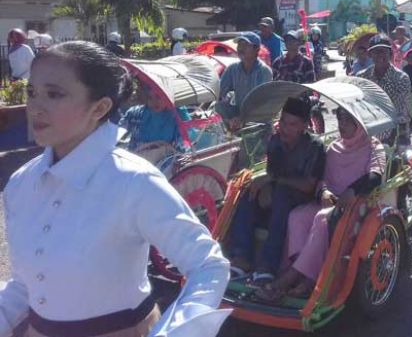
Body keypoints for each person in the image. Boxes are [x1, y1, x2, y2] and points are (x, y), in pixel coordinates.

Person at [4, 41, 229, 337]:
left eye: (54, 94)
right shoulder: (21, 183)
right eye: (31, 92)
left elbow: (208, 265)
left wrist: (176, 332)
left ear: (99, 107)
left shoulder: (133, 182)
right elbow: (25, 283)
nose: (36, 106)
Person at [257, 108, 386, 299]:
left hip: (355, 206)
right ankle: (306, 275)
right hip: (329, 202)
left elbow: (375, 175)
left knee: (321, 218)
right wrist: (324, 191)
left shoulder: (373, 147)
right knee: (297, 216)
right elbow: (322, 179)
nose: (342, 125)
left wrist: (352, 190)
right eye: (340, 119)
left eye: (347, 121)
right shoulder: (334, 148)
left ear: (359, 123)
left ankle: (291, 277)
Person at [225, 98, 326, 283]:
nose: (285, 128)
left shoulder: (315, 147)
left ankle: (268, 265)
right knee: (249, 191)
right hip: (279, 188)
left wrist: (273, 181)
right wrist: (264, 186)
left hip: (303, 197)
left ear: (304, 126)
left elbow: (309, 185)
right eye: (283, 122)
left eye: (292, 124)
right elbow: (273, 171)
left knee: (280, 196)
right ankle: (241, 258)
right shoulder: (276, 141)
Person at [358, 34, 412, 145]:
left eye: (383, 51)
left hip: (395, 131)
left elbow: (398, 110)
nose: (379, 55)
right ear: (370, 55)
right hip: (369, 129)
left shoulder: (401, 78)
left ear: (390, 54)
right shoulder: (362, 77)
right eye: (375, 52)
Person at [216, 31, 273, 130]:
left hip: (258, 117)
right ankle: (232, 126)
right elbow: (220, 92)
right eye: (239, 45)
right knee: (219, 106)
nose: (240, 48)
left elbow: (261, 102)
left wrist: (241, 119)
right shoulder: (232, 68)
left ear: (256, 49)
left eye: (245, 45)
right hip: (239, 113)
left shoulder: (264, 71)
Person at [119, 82, 187, 152]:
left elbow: (182, 145)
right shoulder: (134, 113)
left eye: (158, 97)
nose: (154, 102)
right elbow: (118, 133)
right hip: (136, 157)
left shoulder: (176, 115)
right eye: (150, 98)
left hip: (164, 159)